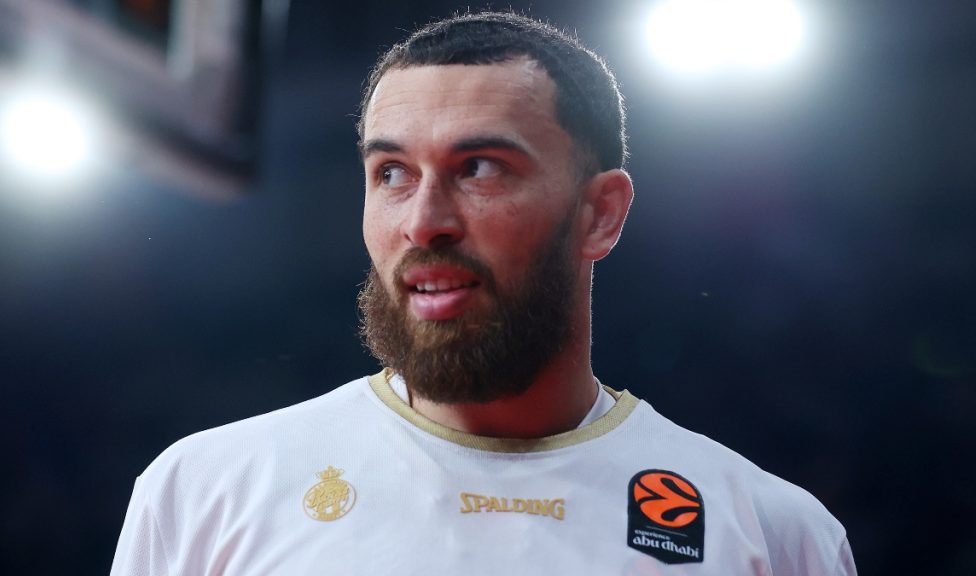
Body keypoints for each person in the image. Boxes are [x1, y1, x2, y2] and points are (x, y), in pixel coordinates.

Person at [111, 11, 856, 575]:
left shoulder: (773, 534)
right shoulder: (205, 491)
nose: (423, 222)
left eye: (480, 169)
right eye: (392, 174)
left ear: (601, 213)